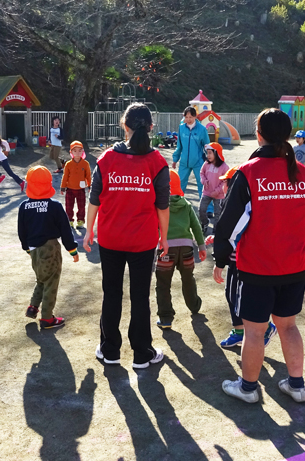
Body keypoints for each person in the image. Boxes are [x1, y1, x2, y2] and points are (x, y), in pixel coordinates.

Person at [212, 108, 305, 404]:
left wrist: (220, 259)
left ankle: (247, 388)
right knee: (288, 325)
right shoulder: (303, 174)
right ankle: (296, 385)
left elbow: (227, 226)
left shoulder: (249, 172)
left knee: (255, 331)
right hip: (294, 266)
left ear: (259, 134)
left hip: (258, 268)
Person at [83, 103, 169, 369]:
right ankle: (142, 353)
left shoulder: (107, 158)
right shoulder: (158, 162)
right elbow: (162, 206)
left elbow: (94, 199)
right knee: (140, 296)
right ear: (151, 127)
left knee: (112, 294)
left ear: (124, 126)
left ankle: (110, 351)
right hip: (143, 241)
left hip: (110, 239)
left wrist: (89, 230)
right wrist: (163, 237)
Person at [204, 167, 277, 349]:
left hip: (243, 260)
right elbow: (225, 231)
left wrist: (220, 256)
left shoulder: (243, 203)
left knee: (239, 298)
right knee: (232, 295)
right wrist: (218, 239)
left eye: (225, 183)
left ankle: (263, 327)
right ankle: (239, 330)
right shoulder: (226, 203)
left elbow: (238, 231)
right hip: (234, 258)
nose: (222, 186)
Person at [18, 165, 79, 330]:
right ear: (48, 184)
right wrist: (72, 249)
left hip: (34, 250)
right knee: (51, 281)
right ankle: (47, 318)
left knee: (41, 278)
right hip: (50, 248)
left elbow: (21, 230)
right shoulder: (54, 206)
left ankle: (33, 307)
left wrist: (27, 248)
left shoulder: (24, 206)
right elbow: (66, 230)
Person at [155, 169, 206, 329]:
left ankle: (166, 318)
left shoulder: (157, 206)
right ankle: (194, 305)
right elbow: (196, 227)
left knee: (163, 284)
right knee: (188, 278)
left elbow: (151, 226)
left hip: (166, 248)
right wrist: (201, 246)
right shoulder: (187, 205)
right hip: (186, 248)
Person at [172, 106, 210, 196]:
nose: (188, 119)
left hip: (198, 162)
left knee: (202, 184)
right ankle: (178, 205)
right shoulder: (181, 128)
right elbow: (179, 146)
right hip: (184, 162)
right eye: (186, 117)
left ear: (195, 117)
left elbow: (207, 146)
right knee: (180, 184)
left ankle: (207, 209)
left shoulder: (202, 129)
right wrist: (175, 159)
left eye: (191, 117)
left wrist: (210, 159)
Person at [60, 140, 91, 227]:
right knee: (69, 206)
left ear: (83, 152)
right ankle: (69, 220)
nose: (77, 153)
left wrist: (89, 186)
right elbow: (65, 176)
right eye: (75, 151)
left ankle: (80, 220)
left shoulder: (85, 164)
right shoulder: (68, 164)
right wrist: (62, 187)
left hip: (81, 189)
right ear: (71, 152)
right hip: (70, 189)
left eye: (80, 150)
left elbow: (88, 176)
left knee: (81, 206)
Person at [199, 142, 229, 231]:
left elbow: (225, 181)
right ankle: (204, 223)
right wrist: (204, 181)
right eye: (207, 153)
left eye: (210, 153)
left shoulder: (224, 167)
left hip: (219, 195)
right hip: (207, 192)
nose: (208, 155)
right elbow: (202, 173)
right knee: (201, 209)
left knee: (218, 213)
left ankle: (216, 230)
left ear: (216, 153)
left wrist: (217, 191)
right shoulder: (206, 164)